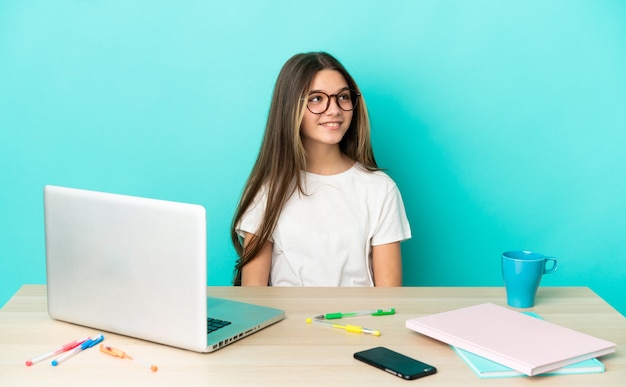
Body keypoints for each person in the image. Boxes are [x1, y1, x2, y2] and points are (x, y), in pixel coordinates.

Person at [231, 52, 411, 287]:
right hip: (288, 324)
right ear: (289, 108)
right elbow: (254, 300)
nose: (334, 109)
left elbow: (389, 299)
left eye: (343, 97)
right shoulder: (267, 191)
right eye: (316, 99)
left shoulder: (380, 189)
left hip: (356, 322)